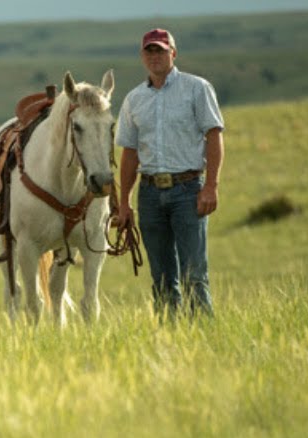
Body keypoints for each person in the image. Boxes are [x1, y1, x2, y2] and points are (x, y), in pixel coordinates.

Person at [116, 28, 225, 318]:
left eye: (161, 50)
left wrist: (211, 186)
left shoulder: (196, 88)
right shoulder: (134, 99)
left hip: (188, 189)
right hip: (149, 193)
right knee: (162, 276)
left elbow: (213, 135)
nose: (155, 57)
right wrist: (124, 202)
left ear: (173, 53)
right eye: (149, 51)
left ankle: (203, 335)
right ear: (142, 56)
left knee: (193, 272)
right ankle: (171, 339)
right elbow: (129, 153)